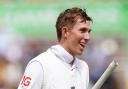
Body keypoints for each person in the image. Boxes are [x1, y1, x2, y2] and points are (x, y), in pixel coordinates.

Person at [17, 7, 92, 89]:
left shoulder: (83, 67)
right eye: (82, 30)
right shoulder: (40, 64)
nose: (87, 37)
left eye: (89, 32)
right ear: (65, 32)